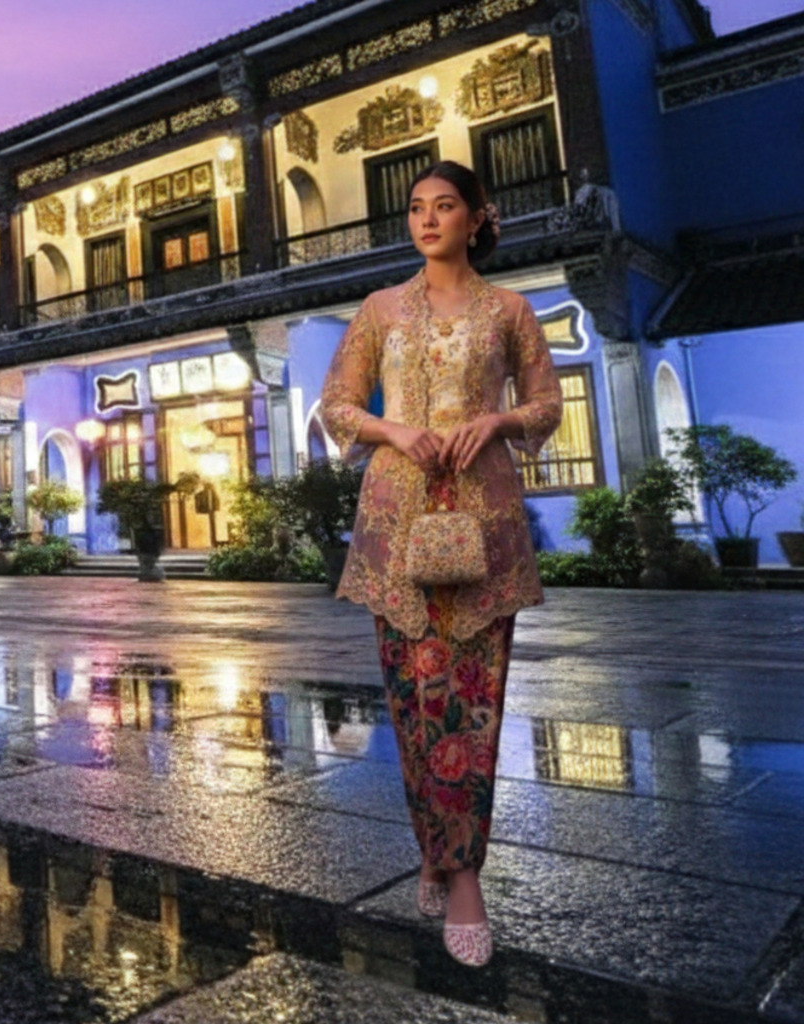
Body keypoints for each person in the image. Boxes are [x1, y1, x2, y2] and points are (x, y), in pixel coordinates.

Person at [320, 160, 562, 967]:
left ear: (477, 217)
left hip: (483, 517)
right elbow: (336, 404)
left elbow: (548, 403)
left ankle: (464, 877)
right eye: (417, 208)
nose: (427, 219)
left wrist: (495, 423)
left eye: (445, 206)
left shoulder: (510, 310)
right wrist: (394, 431)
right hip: (398, 517)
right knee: (415, 701)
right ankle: (437, 846)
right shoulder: (381, 310)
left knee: (474, 700)